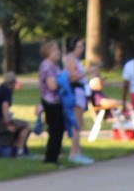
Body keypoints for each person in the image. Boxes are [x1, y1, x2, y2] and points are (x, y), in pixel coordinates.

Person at [0, 71, 31, 155]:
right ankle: (19, 150)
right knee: (26, 125)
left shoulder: (1, 89)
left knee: (18, 124)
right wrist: (8, 124)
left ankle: (16, 147)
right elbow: (4, 107)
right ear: (13, 83)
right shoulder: (7, 91)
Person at [63, 38, 93, 166]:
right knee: (76, 123)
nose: (81, 49)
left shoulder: (74, 60)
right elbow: (72, 77)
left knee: (79, 123)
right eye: (79, 46)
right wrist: (87, 72)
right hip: (75, 92)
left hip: (80, 92)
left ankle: (77, 151)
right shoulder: (70, 59)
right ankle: (74, 153)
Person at [37, 40, 65, 166]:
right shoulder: (47, 66)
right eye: (55, 50)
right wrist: (63, 80)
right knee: (55, 129)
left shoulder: (55, 66)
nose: (58, 52)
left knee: (59, 129)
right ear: (48, 52)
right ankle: (50, 158)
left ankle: (55, 156)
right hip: (50, 102)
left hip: (57, 102)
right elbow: (52, 85)